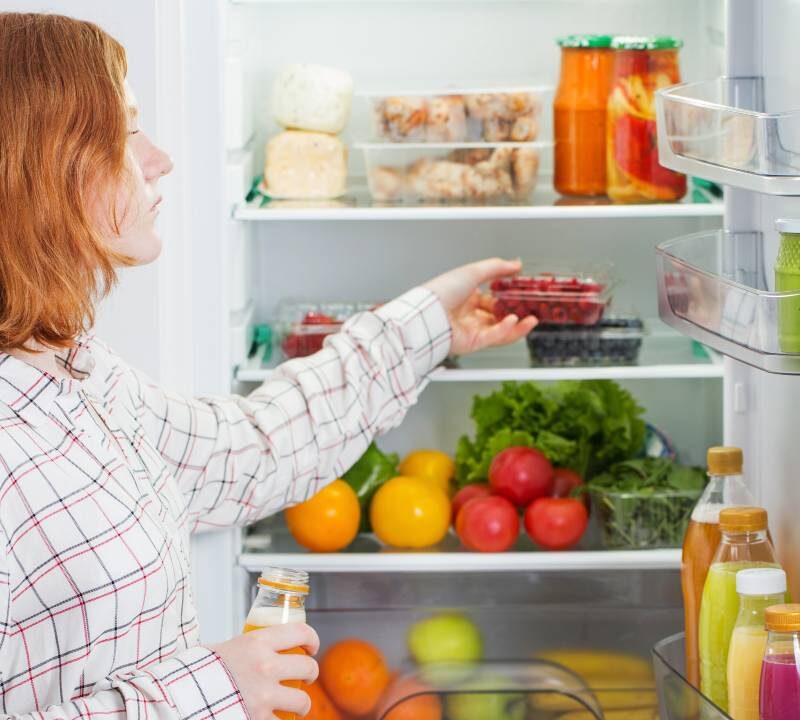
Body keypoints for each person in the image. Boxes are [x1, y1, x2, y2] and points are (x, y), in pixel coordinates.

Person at [0, 12, 538, 720]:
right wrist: (214, 689)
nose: (160, 159)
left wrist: (430, 319)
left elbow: (247, 449)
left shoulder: (71, 370)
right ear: (45, 169)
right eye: (127, 133)